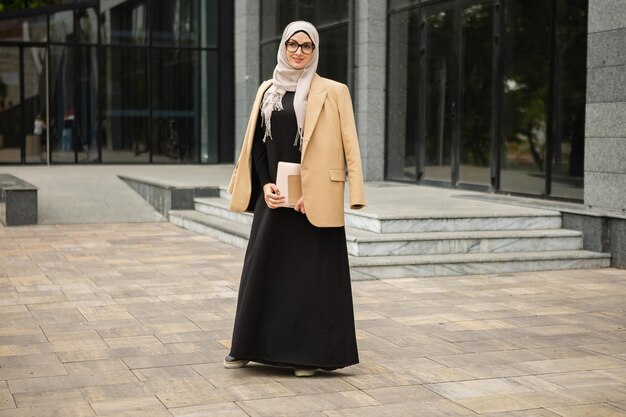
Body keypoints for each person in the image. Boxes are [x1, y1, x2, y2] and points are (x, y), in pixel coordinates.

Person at [225, 21, 366, 377]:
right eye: (293, 44)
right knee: (264, 272)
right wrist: (265, 185)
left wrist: (345, 193)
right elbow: (257, 144)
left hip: (312, 202)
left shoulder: (334, 91)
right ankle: (247, 347)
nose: (299, 51)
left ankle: (307, 356)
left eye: (307, 46)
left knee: (309, 279)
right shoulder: (268, 89)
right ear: (283, 47)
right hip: (275, 198)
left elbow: (350, 147)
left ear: (315, 50)